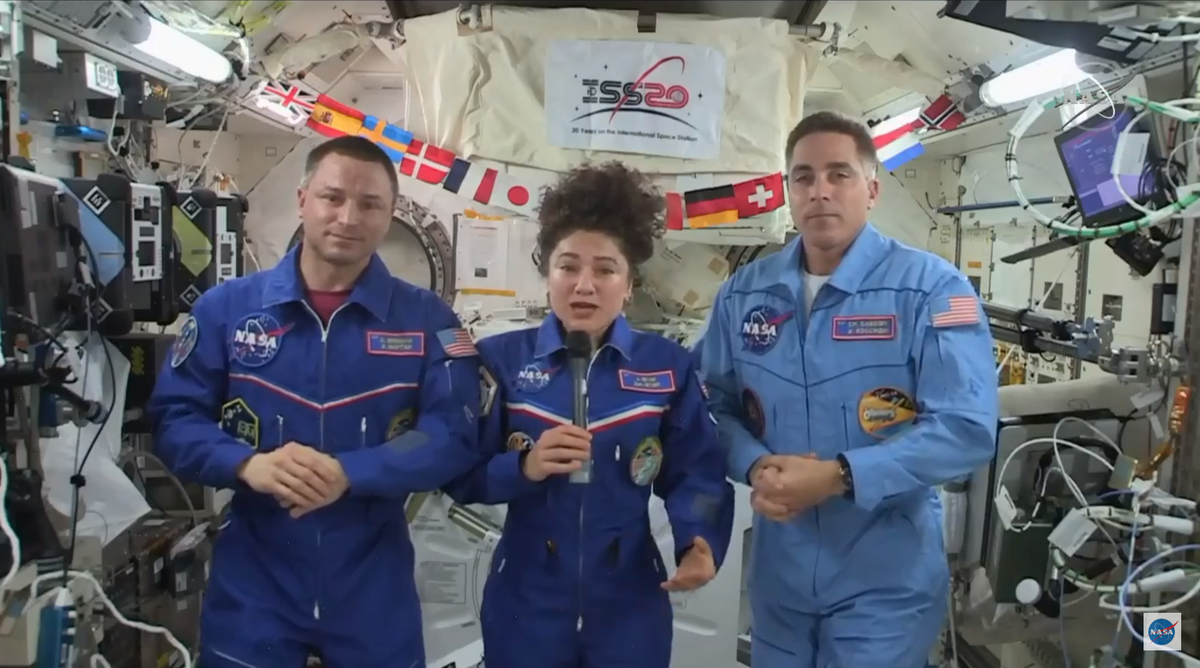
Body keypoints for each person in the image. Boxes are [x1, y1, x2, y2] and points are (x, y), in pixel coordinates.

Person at [148, 136, 486, 668]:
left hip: (372, 582)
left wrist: (349, 473)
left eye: (370, 204)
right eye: (332, 197)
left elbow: (454, 435)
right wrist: (248, 464)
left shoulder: (428, 323)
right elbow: (173, 419)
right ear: (303, 199)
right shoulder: (226, 311)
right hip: (255, 581)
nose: (348, 217)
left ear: (391, 212)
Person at [696, 110, 998, 667]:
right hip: (780, 573)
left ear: (872, 189)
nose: (820, 192)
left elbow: (966, 428)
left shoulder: (929, 289)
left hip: (885, 573)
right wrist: (757, 466)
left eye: (840, 175)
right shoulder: (744, 294)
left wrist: (839, 476)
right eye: (804, 177)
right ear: (788, 190)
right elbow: (711, 405)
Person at [444, 162, 735, 668]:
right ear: (546, 273)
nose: (584, 285)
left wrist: (700, 541)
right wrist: (524, 468)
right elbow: (460, 473)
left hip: (629, 601)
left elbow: (698, 471)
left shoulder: (664, 367)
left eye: (605, 269)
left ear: (628, 284)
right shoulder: (501, 361)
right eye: (568, 266)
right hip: (526, 598)